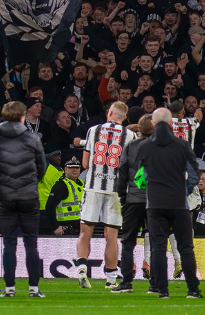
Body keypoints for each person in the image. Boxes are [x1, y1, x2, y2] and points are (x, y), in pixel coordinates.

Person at [123, 107, 202, 299]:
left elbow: (140, 178)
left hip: (155, 204)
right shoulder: (182, 145)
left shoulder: (144, 147)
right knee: (186, 247)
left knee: (158, 248)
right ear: (171, 123)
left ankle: (162, 290)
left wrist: (152, 188)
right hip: (178, 202)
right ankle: (192, 289)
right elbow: (194, 174)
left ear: (153, 123)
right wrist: (184, 190)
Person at [0, 100, 47, 298]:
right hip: (29, 196)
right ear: (22, 117)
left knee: (9, 243)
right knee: (31, 243)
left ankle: (9, 289)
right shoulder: (33, 138)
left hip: (5, 198)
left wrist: (0, 185)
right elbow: (42, 168)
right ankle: (34, 288)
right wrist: (30, 181)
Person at [75, 101, 131, 289]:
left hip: (93, 187)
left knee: (85, 231)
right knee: (111, 236)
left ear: (110, 113)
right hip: (115, 191)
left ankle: (82, 268)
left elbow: (85, 164)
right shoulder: (129, 135)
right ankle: (111, 279)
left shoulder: (93, 130)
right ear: (124, 117)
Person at [112, 115, 152, 294]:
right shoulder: (161, 146)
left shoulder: (130, 146)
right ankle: (156, 284)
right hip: (155, 201)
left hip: (133, 200)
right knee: (157, 242)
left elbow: (122, 172)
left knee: (128, 242)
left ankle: (126, 282)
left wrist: (122, 196)